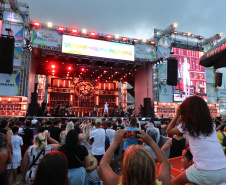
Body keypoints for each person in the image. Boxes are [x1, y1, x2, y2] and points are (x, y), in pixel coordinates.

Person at [166, 96, 226, 185]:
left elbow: (169, 131)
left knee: (175, 182)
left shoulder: (187, 125)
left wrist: (177, 115)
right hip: (223, 170)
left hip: (205, 171)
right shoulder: (211, 126)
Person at [99, 129, 171, 185]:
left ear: (126, 168)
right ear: (151, 167)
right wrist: (151, 142)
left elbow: (103, 163)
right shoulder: (163, 182)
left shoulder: (115, 183)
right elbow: (164, 162)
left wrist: (115, 142)